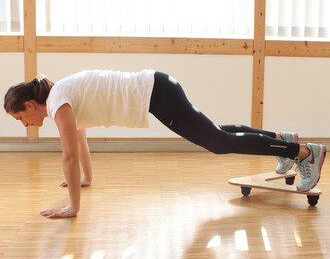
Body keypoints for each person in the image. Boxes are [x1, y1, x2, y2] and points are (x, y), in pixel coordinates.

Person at [3, 69, 326, 218]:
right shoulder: (62, 95)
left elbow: (69, 156)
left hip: (156, 94)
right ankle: (283, 141)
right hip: (158, 88)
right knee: (216, 133)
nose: (25, 125)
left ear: (30, 105)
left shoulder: (58, 101)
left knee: (218, 142)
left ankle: (304, 152)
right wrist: (87, 180)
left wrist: (73, 207)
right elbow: (81, 142)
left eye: (20, 118)